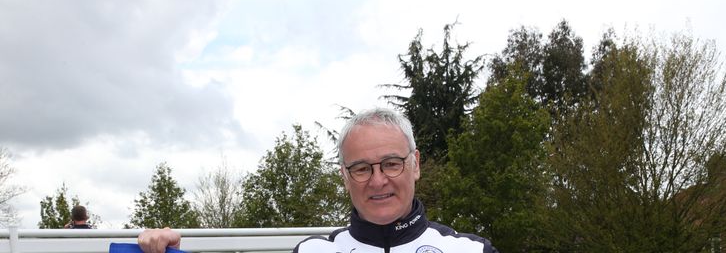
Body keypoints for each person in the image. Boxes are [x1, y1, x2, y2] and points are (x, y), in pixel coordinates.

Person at [138, 108, 499, 253]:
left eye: (391, 163)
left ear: (415, 164)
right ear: (344, 176)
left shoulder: (471, 251)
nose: (377, 181)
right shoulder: (314, 252)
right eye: (361, 168)